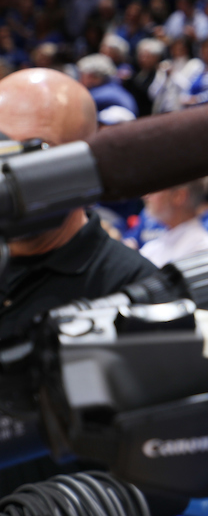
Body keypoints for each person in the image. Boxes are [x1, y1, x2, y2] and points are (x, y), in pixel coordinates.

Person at [0, 69, 159, 491]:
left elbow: (153, 483)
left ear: (82, 166)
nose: (6, 171)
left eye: (31, 151)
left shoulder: (137, 295)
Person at [139, 177, 208, 268]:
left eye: (155, 189)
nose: (145, 196)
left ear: (178, 196)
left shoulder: (203, 249)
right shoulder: (152, 247)